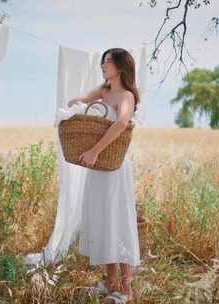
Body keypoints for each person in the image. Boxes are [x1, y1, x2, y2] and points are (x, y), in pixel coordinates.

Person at [67, 48, 141, 303]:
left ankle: (126, 289)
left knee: (117, 221)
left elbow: (121, 124)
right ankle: (110, 283)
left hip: (113, 167)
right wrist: (74, 103)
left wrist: (95, 150)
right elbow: (85, 99)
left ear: (120, 67)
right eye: (103, 61)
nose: (103, 65)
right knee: (103, 221)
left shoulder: (126, 96)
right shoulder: (103, 92)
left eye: (108, 62)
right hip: (97, 168)